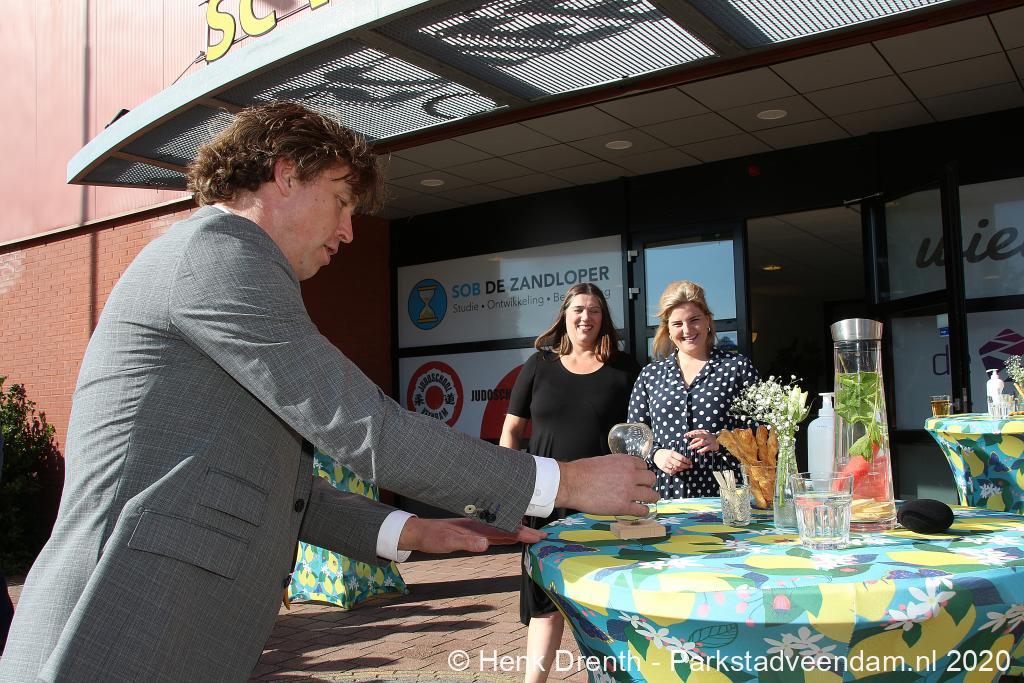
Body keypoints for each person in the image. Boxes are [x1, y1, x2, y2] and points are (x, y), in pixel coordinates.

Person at [0, 102, 656, 682]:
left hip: (153, 625)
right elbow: (363, 424)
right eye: (342, 202)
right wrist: (564, 482)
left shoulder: (221, 262)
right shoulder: (220, 254)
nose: (348, 230)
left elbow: (281, 487)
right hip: (112, 626)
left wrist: (411, 530)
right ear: (287, 172)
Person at [500, 283, 639, 683]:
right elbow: (511, 432)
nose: (586, 317)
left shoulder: (624, 368)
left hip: (603, 503)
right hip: (545, 501)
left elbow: (641, 433)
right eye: (579, 309)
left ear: (603, 318)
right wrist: (508, 491)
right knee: (545, 605)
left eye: (594, 310)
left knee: (605, 601)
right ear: (565, 314)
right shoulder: (538, 365)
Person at [627, 280, 758, 498]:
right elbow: (634, 435)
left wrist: (721, 441)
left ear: (707, 321)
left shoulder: (737, 368)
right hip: (664, 493)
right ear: (668, 330)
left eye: (694, 320)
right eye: (677, 323)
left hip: (725, 493)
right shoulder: (650, 375)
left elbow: (761, 432)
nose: (687, 330)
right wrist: (656, 454)